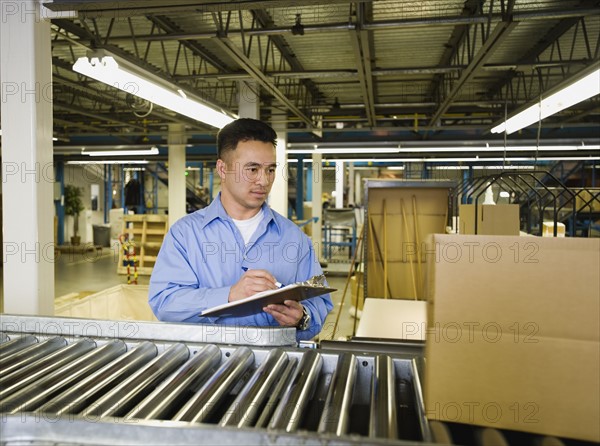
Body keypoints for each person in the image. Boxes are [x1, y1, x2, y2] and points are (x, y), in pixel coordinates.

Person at [148, 118, 333, 340]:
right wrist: (229, 295)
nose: (264, 181)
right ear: (222, 169)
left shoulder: (294, 238)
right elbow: (165, 304)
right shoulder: (185, 235)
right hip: (205, 364)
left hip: (275, 366)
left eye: (271, 170)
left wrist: (303, 318)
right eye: (252, 169)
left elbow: (320, 304)